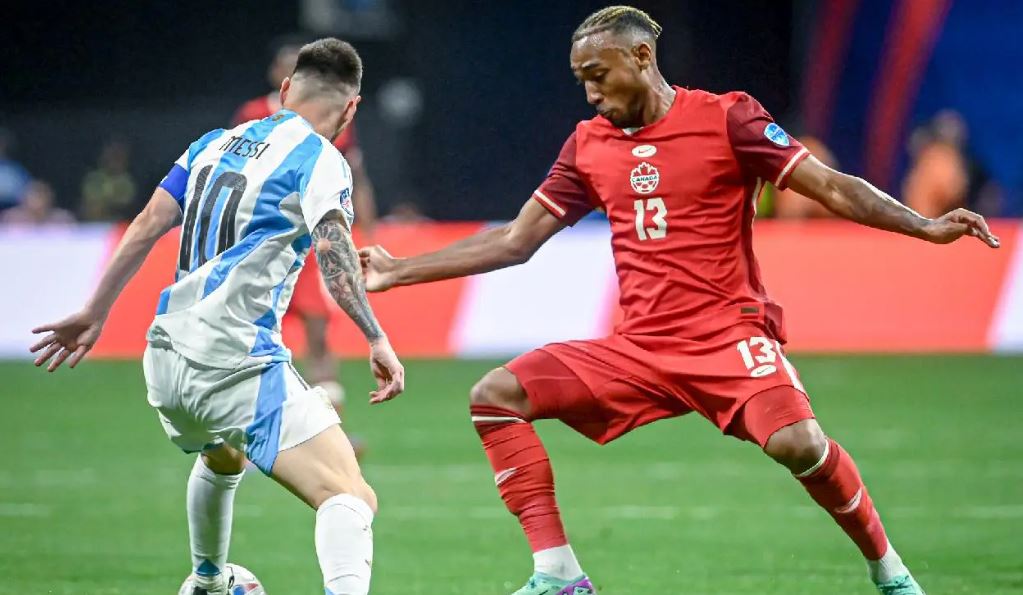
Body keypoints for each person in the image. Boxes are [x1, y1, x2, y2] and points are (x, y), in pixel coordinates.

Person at [359, 7, 999, 595]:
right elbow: (517, 241)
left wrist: (922, 225)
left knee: (800, 443)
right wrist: (398, 270)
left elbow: (829, 186)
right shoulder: (587, 145)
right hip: (638, 349)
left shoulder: (729, 117)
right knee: (495, 395)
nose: (590, 93)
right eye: (582, 79)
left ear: (641, 58)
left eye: (599, 75)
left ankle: (890, 573)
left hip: (727, 336)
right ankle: (558, 574)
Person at [30, 38, 404, 595]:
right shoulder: (322, 159)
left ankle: (208, 581)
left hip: (166, 360)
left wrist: (94, 310)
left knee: (223, 454)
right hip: (235, 360)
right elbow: (333, 251)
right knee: (350, 496)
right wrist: (376, 336)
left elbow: (148, 222)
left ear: (284, 91)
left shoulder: (212, 143)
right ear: (351, 110)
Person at [234, 39, 380, 411]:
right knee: (254, 334)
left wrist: (368, 231)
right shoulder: (251, 114)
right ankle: (248, 430)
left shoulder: (334, 122)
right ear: (277, 78)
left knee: (319, 334)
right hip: (260, 244)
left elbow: (357, 176)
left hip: (308, 245)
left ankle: (330, 427)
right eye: (286, 68)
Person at [80, 139, 137, 221]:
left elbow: (125, 207)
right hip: (91, 224)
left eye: (118, 156)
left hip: (117, 224)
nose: (114, 160)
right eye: (112, 155)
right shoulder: (94, 178)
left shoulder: (128, 182)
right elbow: (88, 203)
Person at [0, 180, 75, 225]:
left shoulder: (61, 219)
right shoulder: (12, 219)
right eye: (33, 196)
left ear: (49, 199)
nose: (37, 202)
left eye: (40, 197)